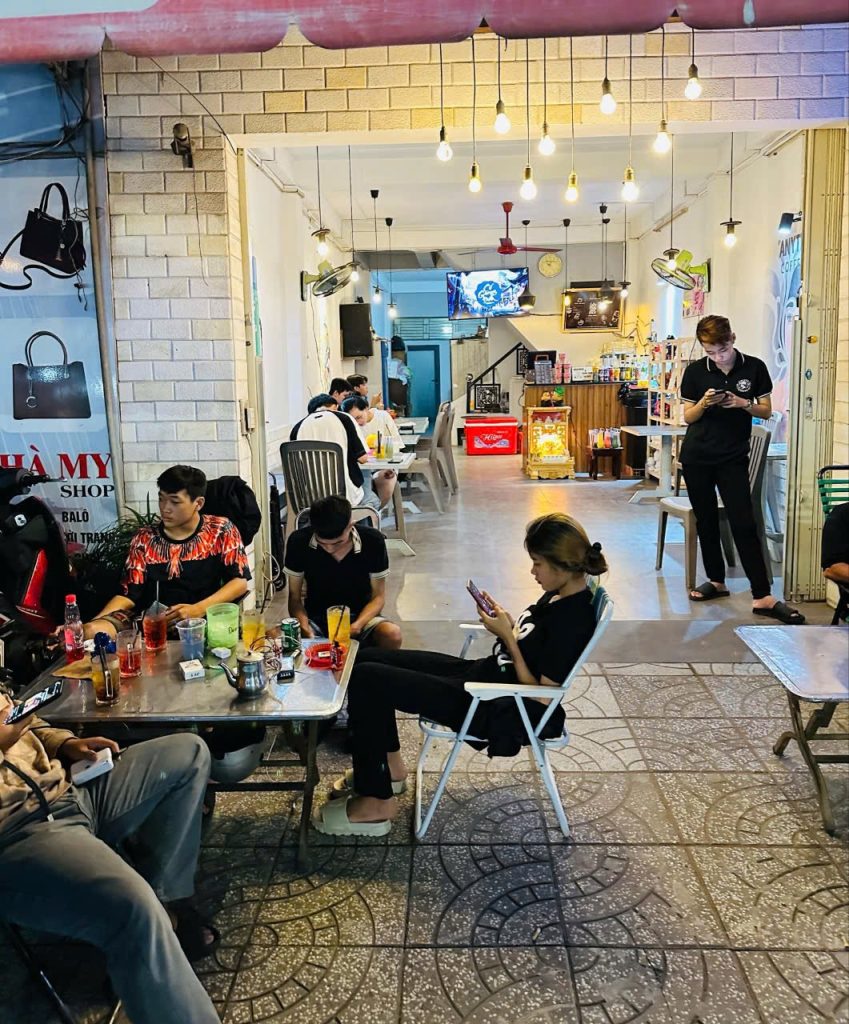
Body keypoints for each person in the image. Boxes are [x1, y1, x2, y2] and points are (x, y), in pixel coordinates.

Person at [312, 513, 604, 835]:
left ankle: (376, 802)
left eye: (537, 564)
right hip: (486, 678)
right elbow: (533, 644)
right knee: (365, 658)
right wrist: (506, 623)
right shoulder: (560, 593)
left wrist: (507, 638)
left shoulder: (572, 621)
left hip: (497, 708)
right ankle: (389, 770)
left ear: (562, 566)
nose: (532, 571)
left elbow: (541, 697)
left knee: (368, 680)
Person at [0, 694, 219, 1024]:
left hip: (67, 789)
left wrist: (67, 743)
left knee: (189, 753)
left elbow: (26, 723)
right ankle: (146, 932)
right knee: (133, 908)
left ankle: (164, 916)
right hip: (19, 831)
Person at [679, 315, 804, 623]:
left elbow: (766, 410)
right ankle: (716, 581)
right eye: (710, 352)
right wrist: (704, 403)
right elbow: (688, 417)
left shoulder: (754, 367)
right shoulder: (695, 371)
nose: (718, 357)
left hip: (733, 456)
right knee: (706, 520)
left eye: (722, 349)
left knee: (743, 522)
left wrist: (741, 402)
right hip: (697, 455)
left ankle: (762, 595)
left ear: (732, 339)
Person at [87, 465, 250, 638]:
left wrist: (198, 609)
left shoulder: (220, 530)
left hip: (202, 620)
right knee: (91, 631)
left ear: (198, 503)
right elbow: (129, 595)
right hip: (152, 623)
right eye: (161, 499)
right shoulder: (145, 538)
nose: (165, 508)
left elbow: (239, 582)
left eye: (175, 501)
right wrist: (94, 622)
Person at [284, 495, 401, 649]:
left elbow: (378, 597)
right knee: (274, 636)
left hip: (362, 615)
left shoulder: (373, 540)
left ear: (350, 525)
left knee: (392, 634)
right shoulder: (298, 541)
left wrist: (357, 626)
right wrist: (305, 628)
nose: (329, 549)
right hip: (316, 617)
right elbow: (294, 598)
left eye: (338, 542)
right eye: (322, 543)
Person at [289, 396, 377, 511]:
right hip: (346, 497)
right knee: (372, 501)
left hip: (310, 500)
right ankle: (358, 522)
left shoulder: (297, 428)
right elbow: (363, 459)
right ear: (334, 407)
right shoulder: (344, 419)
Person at [340, 394, 399, 509]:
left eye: (359, 417)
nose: (357, 422)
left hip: (384, 464)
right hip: (362, 468)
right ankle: (369, 510)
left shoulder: (383, 417)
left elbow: (396, 445)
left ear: (366, 408)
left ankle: (372, 511)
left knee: (387, 478)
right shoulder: (349, 426)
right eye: (353, 420)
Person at [386, 336, 411, 416]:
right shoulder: (396, 364)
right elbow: (407, 375)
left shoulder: (395, 364)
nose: (398, 354)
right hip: (398, 397)